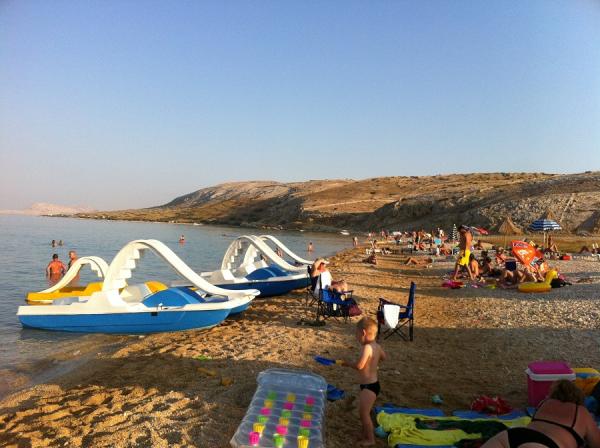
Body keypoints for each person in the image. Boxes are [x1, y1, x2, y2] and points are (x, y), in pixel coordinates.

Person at [482, 380, 600, 448]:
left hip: (513, 435)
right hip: (546, 444)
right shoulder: (581, 411)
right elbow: (597, 443)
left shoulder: (544, 403)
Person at [341, 317, 387, 447]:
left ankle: (370, 439)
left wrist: (347, 364)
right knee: (364, 412)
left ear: (363, 333)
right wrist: (374, 363)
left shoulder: (367, 347)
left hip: (369, 387)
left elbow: (359, 366)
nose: (356, 337)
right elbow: (384, 357)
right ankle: (365, 434)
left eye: (356, 334)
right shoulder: (377, 346)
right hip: (373, 385)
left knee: (364, 414)